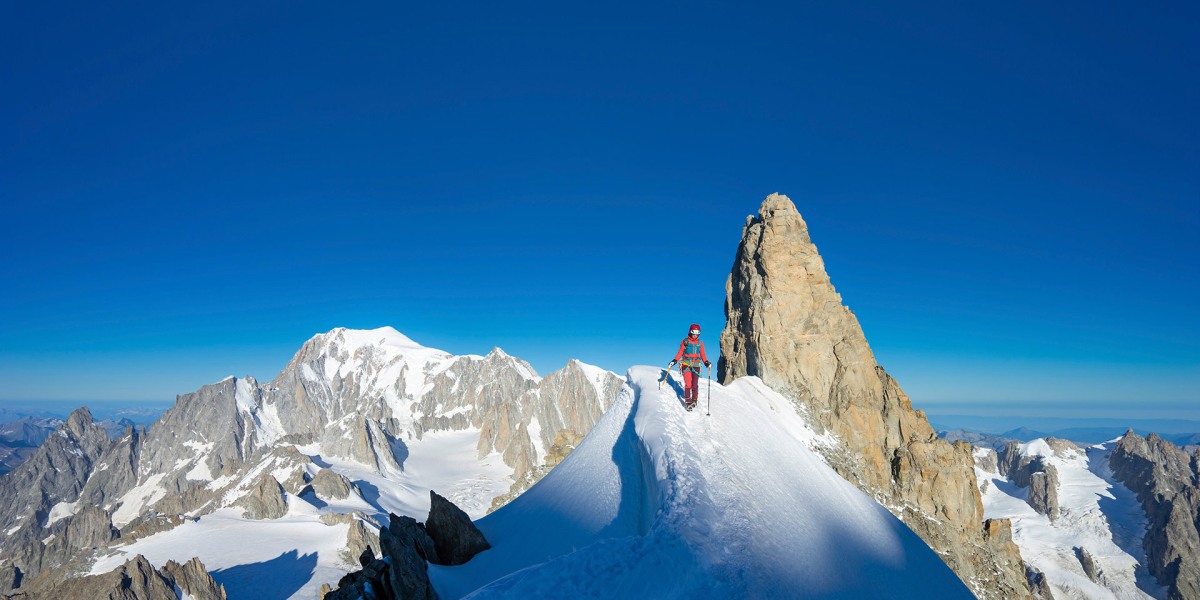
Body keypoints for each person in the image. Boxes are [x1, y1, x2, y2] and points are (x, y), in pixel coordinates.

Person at [669, 323, 710, 410]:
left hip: (696, 365)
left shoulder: (700, 343)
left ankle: (694, 400)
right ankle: (688, 402)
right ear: (690, 332)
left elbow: (702, 354)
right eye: (694, 332)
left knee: (694, 384)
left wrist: (706, 362)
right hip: (686, 364)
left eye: (697, 333)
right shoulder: (685, 341)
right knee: (688, 383)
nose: (695, 335)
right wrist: (675, 360)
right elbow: (680, 352)